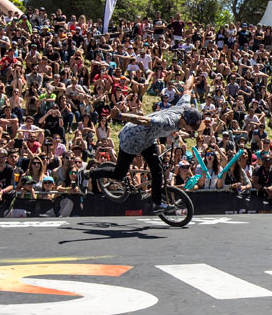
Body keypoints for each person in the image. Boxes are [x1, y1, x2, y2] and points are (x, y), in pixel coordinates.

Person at [87, 79, 202, 215]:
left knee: (157, 171)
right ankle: (90, 174)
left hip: (148, 139)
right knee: (119, 174)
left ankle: (157, 204)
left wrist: (193, 76)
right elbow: (142, 120)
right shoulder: (167, 123)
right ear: (184, 120)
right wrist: (119, 115)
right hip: (132, 138)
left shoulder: (184, 107)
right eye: (191, 127)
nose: (192, 130)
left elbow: (187, 88)